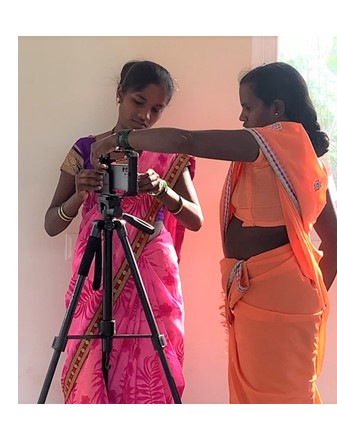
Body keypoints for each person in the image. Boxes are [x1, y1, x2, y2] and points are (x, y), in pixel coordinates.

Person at [91, 61, 337, 404]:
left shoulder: (272, 141)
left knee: (276, 401)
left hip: (276, 297)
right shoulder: (307, 158)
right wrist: (312, 299)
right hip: (275, 294)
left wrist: (119, 138)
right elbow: (335, 242)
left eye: (248, 107)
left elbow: (186, 140)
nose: (242, 118)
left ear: (277, 109)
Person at [45, 60, 203, 403]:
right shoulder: (87, 149)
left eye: (157, 109)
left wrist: (163, 190)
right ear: (120, 94)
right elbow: (51, 224)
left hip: (152, 275)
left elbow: (195, 219)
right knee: (91, 363)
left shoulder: (168, 154)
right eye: (138, 101)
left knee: (152, 365)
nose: (146, 116)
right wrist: (80, 195)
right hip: (96, 271)